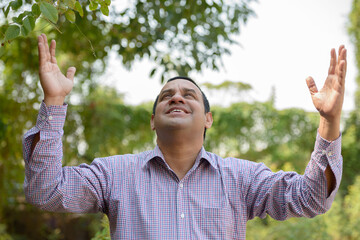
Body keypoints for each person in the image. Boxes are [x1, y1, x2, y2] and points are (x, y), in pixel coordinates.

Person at [23, 34, 346, 239]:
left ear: (208, 119)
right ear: (153, 121)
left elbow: (311, 198)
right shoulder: (113, 174)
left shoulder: (242, 178)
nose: (177, 97)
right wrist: (53, 102)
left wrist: (329, 121)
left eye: (188, 94)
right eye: (167, 95)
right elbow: (46, 192)